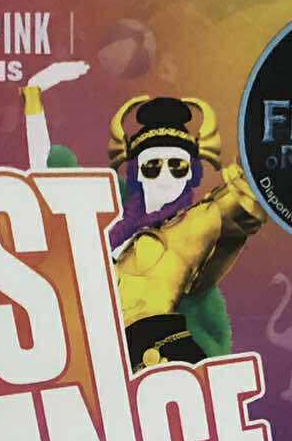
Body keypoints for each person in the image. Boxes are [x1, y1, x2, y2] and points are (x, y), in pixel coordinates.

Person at [22, 64, 266, 371]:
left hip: (156, 355)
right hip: (100, 351)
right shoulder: (112, 220)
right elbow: (44, 180)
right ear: (138, 172)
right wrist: (34, 93)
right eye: (153, 166)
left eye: (177, 166)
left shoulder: (196, 223)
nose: (165, 176)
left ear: (191, 173)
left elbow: (244, 199)